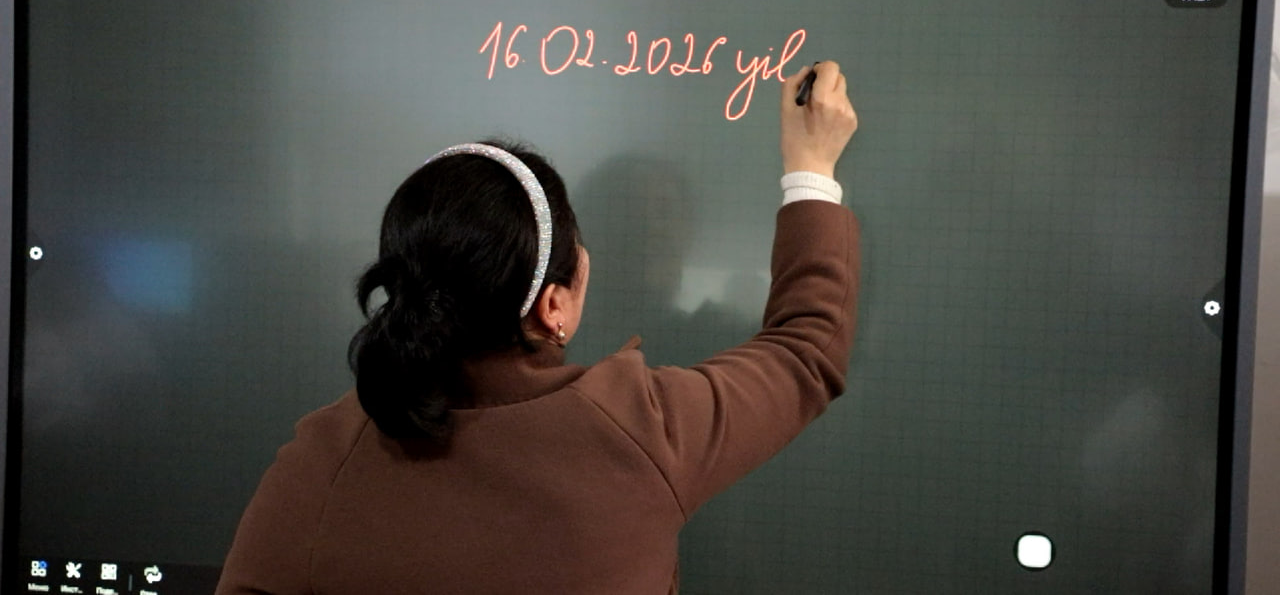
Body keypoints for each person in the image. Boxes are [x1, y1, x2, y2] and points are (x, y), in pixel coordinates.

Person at [215, 61, 860, 595]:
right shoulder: (643, 430)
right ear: (554, 306)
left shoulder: (324, 456)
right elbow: (805, 349)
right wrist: (811, 166)